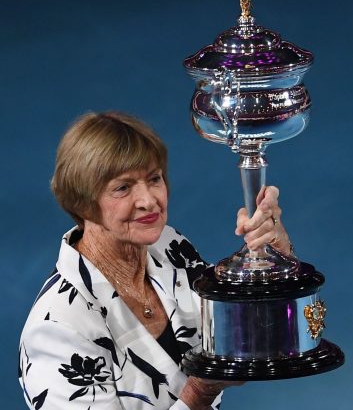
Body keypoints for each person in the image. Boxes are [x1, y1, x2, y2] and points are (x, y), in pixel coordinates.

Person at [18, 112, 292, 409]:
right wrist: (199, 392)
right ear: (82, 201)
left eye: (154, 178)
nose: (149, 200)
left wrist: (275, 253)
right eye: (123, 187)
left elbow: (253, 330)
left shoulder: (169, 248)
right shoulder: (56, 326)